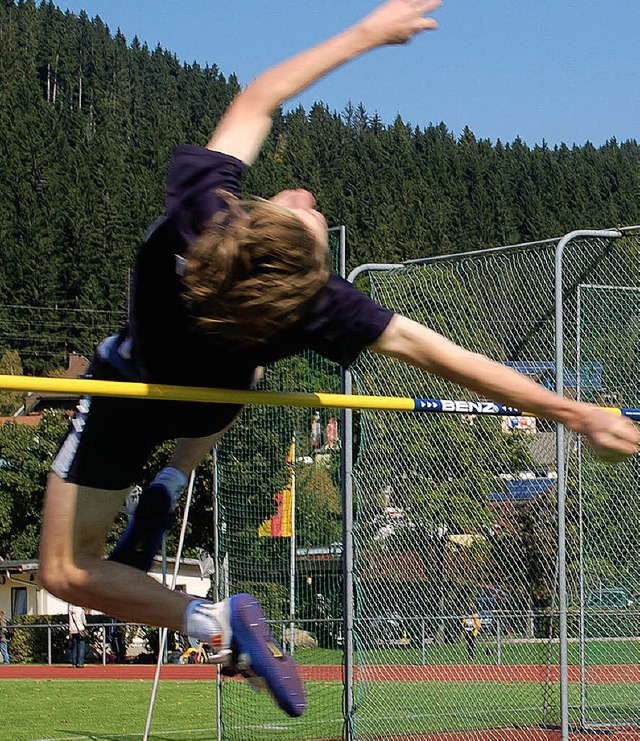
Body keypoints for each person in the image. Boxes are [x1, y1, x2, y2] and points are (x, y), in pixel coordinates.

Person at [38, 0, 640, 719]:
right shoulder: (316, 308)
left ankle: (213, 621)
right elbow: (450, 358)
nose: (307, 195)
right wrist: (574, 412)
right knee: (252, 375)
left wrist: (365, 33)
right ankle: (172, 478)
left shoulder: (203, 212)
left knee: (69, 570)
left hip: (128, 390)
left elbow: (260, 94)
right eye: (311, 213)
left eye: (305, 211)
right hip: (214, 396)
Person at [68, 604, 87, 668]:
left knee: (74, 647)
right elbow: (84, 621)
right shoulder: (81, 610)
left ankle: (74, 663)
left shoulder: (70, 611)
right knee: (81, 647)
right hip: (80, 629)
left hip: (73, 630)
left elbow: (70, 621)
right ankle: (80, 662)